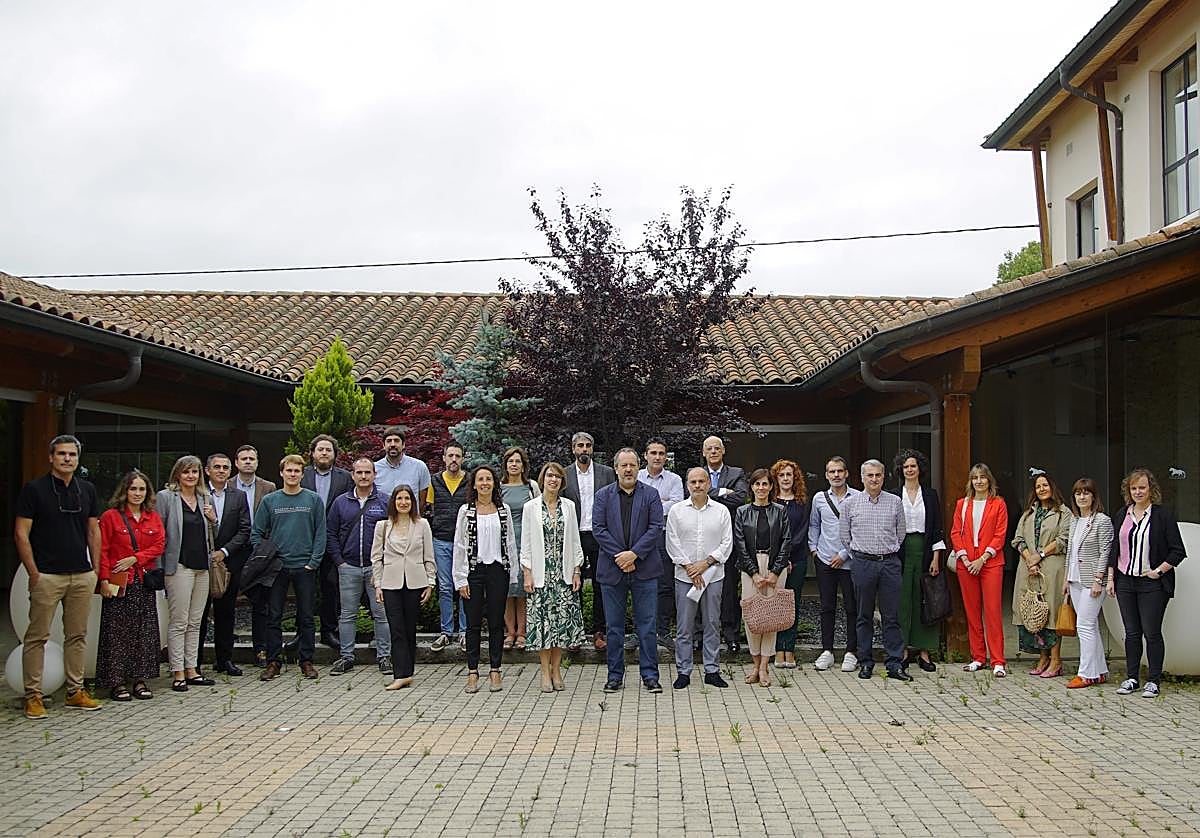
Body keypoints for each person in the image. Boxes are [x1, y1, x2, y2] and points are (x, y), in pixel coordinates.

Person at [14, 435, 103, 718]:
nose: (67, 459)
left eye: (72, 455)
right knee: (37, 636)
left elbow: (93, 531)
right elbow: (21, 533)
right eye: (62, 454)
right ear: (51, 457)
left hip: (81, 575)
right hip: (47, 576)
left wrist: (96, 570)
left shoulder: (87, 490)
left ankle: (75, 691)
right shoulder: (34, 490)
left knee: (77, 635)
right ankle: (34, 695)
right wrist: (33, 572)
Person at [1108, 468, 1187, 698]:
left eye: (1142, 487)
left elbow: (1177, 551)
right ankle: (1132, 678)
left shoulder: (1162, 516)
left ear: (1151, 489)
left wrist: (1158, 571)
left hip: (1152, 584)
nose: (1138, 492)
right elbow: (1115, 550)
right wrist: (1111, 578)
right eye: (1133, 488)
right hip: (1125, 582)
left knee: (1151, 632)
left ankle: (1153, 680)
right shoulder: (1122, 514)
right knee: (1131, 632)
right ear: (1128, 491)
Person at [593, 448, 665, 693]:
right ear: (615, 468)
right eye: (623, 465)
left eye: (632, 465)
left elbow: (656, 528)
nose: (628, 469)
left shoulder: (651, 495)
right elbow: (598, 529)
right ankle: (614, 676)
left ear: (638, 467)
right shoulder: (603, 496)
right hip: (612, 571)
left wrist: (634, 554)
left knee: (647, 626)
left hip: (644, 570)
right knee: (614, 627)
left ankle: (650, 676)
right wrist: (621, 557)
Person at [254, 453, 328, 681]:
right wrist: (267, 559)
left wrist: (313, 562)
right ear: (281, 473)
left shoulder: (313, 500)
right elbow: (256, 533)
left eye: (297, 471)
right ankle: (274, 661)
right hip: (277, 569)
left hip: (304, 566)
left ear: (302, 474)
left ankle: (306, 660)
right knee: (273, 616)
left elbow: (320, 533)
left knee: (306, 617)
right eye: (289, 470)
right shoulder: (270, 501)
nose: (293, 474)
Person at [96, 470, 165, 701]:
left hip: (142, 582)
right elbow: (102, 550)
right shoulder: (110, 517)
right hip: (119, 583)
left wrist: (137, 557)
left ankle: (139, 679)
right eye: (133, 489)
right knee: (116, 634)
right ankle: (116, 682)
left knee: (143, 632)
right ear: (124, 491)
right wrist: (103, 580)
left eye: (141, 489)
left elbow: (160, 544)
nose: (137, 493)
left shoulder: (152, 516)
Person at [839, 459, 909, 681]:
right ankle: (866, 662)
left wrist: (888, 552)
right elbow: (845, 536)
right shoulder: (850, 504)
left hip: (889, 563)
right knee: (863, 615)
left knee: (891, 616)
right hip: (863, 563)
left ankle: (894, 663)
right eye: (869, 475)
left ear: (883, 476)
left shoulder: (895, 502)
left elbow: (901, 533)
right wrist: (859, 557)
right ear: (861, 478)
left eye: (878, 475)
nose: (874, 479)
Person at [453, 465, 519, 694]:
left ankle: (495, 669)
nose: (484, 483)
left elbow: (510, 541)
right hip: (473, 571)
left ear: (494, 483)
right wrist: (460, 579)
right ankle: (472, 672)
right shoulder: (466, 511)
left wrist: (513, 574)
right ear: (474, 484)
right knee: (472, 624)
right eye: (480, 479)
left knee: (495, 623)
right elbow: (459, 546)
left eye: (488, 479)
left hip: (497, 571)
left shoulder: (504, 510)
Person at [520, 463, 586, 692]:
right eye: (549, 475)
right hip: (540, 574)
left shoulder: (568, 506)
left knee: (560, 626)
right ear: (542, 479)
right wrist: (527, 572)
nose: (553, 480)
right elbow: (526, 542)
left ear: (562, 481)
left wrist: (577, 570)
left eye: (558, 477)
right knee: (543, 626)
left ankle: (557, 670)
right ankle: (544, 672)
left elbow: (576, 540)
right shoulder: (530, 507)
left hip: (563, 574)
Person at [665, 468, 732, 690]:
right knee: (684, 626)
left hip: (713, 576)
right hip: (685, 577)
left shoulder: (721, 511)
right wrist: (690, 568)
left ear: (708, 484)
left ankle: (712, 670)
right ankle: (684, 671)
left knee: (712, 623)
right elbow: (672, 541)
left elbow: (726, 543)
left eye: (702, 481)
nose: (697, 485)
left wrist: (705, 564)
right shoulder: (676, 511)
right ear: (687, 484)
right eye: (693, 481)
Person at [158, 455, 217, 693]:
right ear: (177, 475)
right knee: (179, 622)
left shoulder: (205, 497)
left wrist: (213, 519)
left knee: (195, 622)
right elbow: (159, 533)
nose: (191, 476)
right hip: (179, 566)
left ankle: (192, 668)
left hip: (202, 566)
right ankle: (177, 672)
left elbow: (213, 534)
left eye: (194, 472)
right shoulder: (166, 498)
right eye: (186, 472)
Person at [327, 457, 391, 676]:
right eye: (359, 472)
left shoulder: (384, 501)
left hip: (377, 569)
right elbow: (331, 533)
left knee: (381, 614)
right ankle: (346, 657)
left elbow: (392, 534)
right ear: (352, 475)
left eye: (367, 472)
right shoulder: (340, 502)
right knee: (347, 615)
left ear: (374, 474)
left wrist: (383, 563)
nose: (363, 476)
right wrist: (340, 562)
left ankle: (384, 657)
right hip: (349, 567)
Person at [372, 485, 435, 690]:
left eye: (407, 498)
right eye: (399, 498)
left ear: (412, 502)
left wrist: (430, 582)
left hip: (415, 582)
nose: (403, 502)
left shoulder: (422, 524)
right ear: (393, 502)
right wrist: (378, 584)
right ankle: (400, 674)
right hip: (390, 583)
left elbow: (429, 556)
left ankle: (408, 672)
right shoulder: (383, 526)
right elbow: (376, 557)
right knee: (396, 628)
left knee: (409, 629)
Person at [734, 468, 793, 687]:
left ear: (771, 487)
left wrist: (776, 571)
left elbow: (787, 540)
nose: (761, 488)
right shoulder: (742, 512)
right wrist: (754, 573)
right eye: (757, 484)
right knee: (752, 617)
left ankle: (765, 667)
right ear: (751, 487)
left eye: (765, 484)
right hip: (751, 567)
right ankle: (754, 664)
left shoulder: (780, 511)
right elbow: (739, 544)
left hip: (775, 566)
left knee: (771, 617)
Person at [949, 463, 1009, 677]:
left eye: (983, 477)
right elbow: (956, 532)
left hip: (990, 562)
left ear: (989, 480)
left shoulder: (998, 504)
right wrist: (965, 558)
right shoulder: (962, 504)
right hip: (967, 563)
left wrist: (983, 558)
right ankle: (978, 657)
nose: (979, 481)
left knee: (992, 611)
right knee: (972, 612)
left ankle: (998, 660)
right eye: (975, 478)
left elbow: (1000, 534)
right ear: (971, 482)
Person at [1011, 472, 1071, 677]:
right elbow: (1018, 539)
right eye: (1038, 486)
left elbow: (1064, 539)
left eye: (1045, 485)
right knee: (1035, 614)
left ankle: (1056, 660)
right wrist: (1030, 558)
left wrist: (1040, 555)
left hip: (1051, 569)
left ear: (1052, 487)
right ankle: (1042, 657)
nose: (1042, 489)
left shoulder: (1064, 513)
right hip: (1029, 569)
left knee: (1051, 615)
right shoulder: (1028, 514)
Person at [197, 453, 251, 676]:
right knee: (198, 615)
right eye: (216, 467)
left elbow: (245, 529)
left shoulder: (238, 496)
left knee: (226, 613)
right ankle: (195, 662)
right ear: (208, 471)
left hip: (229, 562)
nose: (221, 470)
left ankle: (224, 660)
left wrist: (224, 551)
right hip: (200, 562)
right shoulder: (198, 494)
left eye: (225, 467)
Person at [562, 432, 616, 650]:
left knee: (599, 584)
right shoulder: (564, 474)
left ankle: (598, 631)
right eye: (580, 446)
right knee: (571, 583)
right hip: (573, 534)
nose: (584, 449)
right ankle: (574, 632)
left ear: (592, 449)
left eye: (587, 446)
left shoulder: (606, 473)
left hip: (599, 535)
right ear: (574, 449)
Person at [892, 449, 945, 673]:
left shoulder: (931, 495)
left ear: (919, 469)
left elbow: (936, 529)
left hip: (924, 550)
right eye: (906, 467)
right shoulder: (894, 495)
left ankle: (924, 651)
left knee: (925, 600)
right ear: (901, 470)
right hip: (901, 551)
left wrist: (936, 558)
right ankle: (902, 649)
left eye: (913, 466)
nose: (910, 470)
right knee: (903, 602)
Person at [300, 434, 353, 650]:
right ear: (312, 453)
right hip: (305, 540)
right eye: (320, 449)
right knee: (304, 589)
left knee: (331, 588)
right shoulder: (301, 475)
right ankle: (302, 633)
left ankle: (328, 631)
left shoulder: (345, 477)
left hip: (333, 541)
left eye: (328, 450)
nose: (324, 453)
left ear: (334, 454)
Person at [807, 457, 860, 673]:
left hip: (849, 561)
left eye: (840, 471)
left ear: (846, 473)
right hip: (825, 560)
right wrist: (814, 549)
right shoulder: (819, 498)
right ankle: (827, 650)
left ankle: (851, 652)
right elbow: (814, 525)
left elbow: (859, 530)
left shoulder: (857, 497)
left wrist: (844, 554)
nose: (836, 475)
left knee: (851, 607)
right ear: (826, 475)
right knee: (827, 606)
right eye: (832, 472)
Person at [1063, 477, 1114, 689]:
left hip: (1092, 581)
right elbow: (1070, 552)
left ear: (1093, 496)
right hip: (1075, 579)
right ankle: (1100, 672)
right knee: (1089, 625)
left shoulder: (1102, 520)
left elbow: (1106, 552)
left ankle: (1085, 674)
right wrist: (1067, 578)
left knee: (1083, 625)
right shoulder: (1074, 520)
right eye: (1078, 493)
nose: (1082, 497)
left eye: (1086, 493)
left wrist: (1098, 580)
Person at [701, 435, 749, 652]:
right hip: (702, 539)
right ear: (703, 453)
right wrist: (722, 491)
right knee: (701, 587)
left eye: (716, 448)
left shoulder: (737, 473)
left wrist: (710, 494)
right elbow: (694, 494)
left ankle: (731, 635)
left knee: (729, 588)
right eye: (709, 449)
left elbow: (739, 497)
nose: (713, 452)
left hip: (728, 538)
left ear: (723, 451)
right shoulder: (698, 474)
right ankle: (700, 634)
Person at [638, 437, 685, 649]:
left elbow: (676, 507)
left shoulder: (674, 480)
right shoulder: (636, 477)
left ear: (666, 457)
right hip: (639, 539)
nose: (657, 457)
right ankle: (641, 633)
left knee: (665, 586)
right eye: (653, 453)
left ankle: (663, 632)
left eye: (661, 453)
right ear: (645, 455)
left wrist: (649, 506)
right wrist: (660, 503)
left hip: (665, 536)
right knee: (640, 585)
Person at [232, 444, 276, 667]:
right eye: (244, 458)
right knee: (228, 600)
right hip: (233, 551)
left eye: (252, 458)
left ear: (257, 462)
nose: (248, 461)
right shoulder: (227, 486)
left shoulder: (269, 488)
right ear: (237, 462)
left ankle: (261, 649)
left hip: (261, 552)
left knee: (261, 603)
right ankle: (226, 654)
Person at [427, 441, 470, 652]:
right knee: (444, 587)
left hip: (464, 542)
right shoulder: (434, 481)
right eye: (450, 455)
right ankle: (446, 632)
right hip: (441, 540)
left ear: (462, 459)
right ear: (444, 458)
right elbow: (431, 507)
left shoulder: (469, 481)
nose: (454, 460)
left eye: (458, 456)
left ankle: (464, 632)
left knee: (463, 586)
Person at [770, 459, 809, 668]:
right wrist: (780, 560)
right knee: (776, 605)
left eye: (789, 475)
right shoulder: (770, 501)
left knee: (792, 604)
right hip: (775, 563)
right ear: (776, 478)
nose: (786, 479)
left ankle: (789, 649)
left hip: (797, 560)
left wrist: (790, 559)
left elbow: (801, 533)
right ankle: (777, 649)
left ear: (795, 479)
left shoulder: (802, 503)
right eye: (782, 475)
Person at [500, 446, 539, 651]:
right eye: (510, 461)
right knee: (507, 589)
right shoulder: (499, 487)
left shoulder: (531, 487)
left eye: (518, 461)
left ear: (523, 465)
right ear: (505, 465)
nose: (514, 465)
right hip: (504, 542)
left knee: (523, 588)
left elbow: (538, 513)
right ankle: (509, 633)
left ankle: (522, 632)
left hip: (526, 540)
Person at [374, 428, 431, 510]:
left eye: (396, 441)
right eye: (389, 441)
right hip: (384, 520)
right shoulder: (374, 469)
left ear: (403, 444)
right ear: (383, 445)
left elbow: (423, 499)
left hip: (411, 520)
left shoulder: (419, 467)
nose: (392, 444)